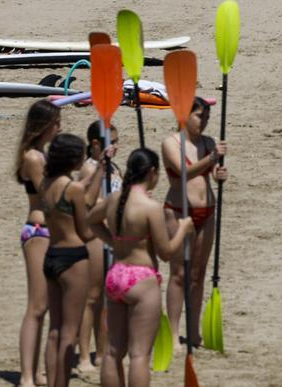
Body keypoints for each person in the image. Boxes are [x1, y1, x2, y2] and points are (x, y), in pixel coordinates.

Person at [88, 148, 194, 387]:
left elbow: (91, 220)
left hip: (116, 275)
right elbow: (166, 252)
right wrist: (183, 229)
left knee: (113, 351)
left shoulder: (114, 199)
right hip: (141, 279)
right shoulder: (150, 207)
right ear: (152, 172)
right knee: (139, 355)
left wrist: (113, 241)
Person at [160, 97, 228, 348]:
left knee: (198, 275)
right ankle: (173, 333)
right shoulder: (171, 143)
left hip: (207, 210)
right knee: (179, 274)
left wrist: (219, 174)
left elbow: (212, 175)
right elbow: (183, 172)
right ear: (185, 116)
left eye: (207, 117)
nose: (204, 122)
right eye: (200, 116)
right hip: (179, 211)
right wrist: (211, 159)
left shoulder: (208, 143)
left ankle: (193, 331)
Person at [41, 134, 104, 387]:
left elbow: (71, 197)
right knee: (70, 333)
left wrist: (98, 170)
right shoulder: (74, 189)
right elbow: (85, 231)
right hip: (73, 257)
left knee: (54, 331)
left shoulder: (46, 183)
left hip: (51, 254)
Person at [13, 102, 61, 387]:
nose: (60, 128)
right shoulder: (33, 157)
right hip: (38, 231)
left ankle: (37, 371)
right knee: (37, 306)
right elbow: (49, 193)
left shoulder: (42, 154)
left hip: (48, 230)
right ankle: (27, 375)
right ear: (44, 125)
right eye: (56, 123)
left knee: (47, 307)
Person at [76, 122, 119, 376]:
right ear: (95, 144)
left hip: (112, 237)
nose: (116, 146)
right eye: (111, 142)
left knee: (106, 298)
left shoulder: (115, 168)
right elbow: (88, 203)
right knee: (91, 298)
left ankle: (102, 352)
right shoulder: (88, 168)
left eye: (117, 141)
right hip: (93, 237)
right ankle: (84, 355)